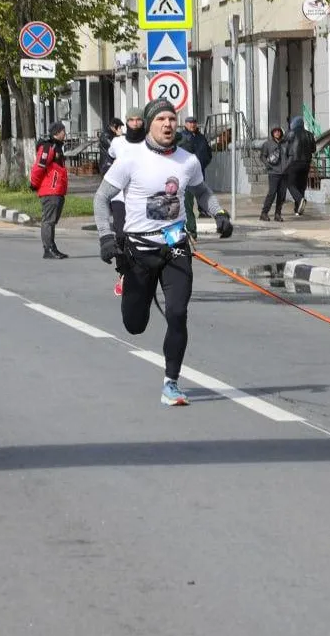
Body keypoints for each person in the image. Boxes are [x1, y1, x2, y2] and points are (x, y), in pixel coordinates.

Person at [93, 98, 234, 406]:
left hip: (175, 247)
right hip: (138, 251)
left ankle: (171, 383)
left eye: (172, 118)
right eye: (161, 119)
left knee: (178, 313)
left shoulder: (188, 160)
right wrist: (106, 237)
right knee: (135, 324)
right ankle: (136, 305)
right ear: (148, 124)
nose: (168, 124)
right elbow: (101, 198)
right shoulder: (131, 159)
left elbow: (202, 191)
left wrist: (219, 211)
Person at [107, 108, 146, 295]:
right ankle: (123, 274)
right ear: (126, 122)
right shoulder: (118, 142)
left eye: (139, 120)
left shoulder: (150, 142)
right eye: (131, 120)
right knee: (121, 235)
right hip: (119, 196)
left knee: (142, 235)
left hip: (141, 198)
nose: (135, 123)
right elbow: (108, 160)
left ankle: (142, 273)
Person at [29, 121, 69, 259]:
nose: (65, 133)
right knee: (48, 221)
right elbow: (39, 167)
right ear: (57, 132)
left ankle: (52, 247)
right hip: (50, 190)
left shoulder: (57, 147)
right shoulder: (48, 147)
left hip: (57, 190)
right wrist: (33, 183)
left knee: (52, 221)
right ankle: (48, 249)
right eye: (63, 130)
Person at [177, 116, 212, 239]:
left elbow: (208, 154)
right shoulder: (180, 137)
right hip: (186, 176)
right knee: (187, 203)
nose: (192, 125)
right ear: (185, 124)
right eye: (190, 123)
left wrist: (202, 165)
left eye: (194, 122)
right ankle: (192, 230)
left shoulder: (201, 138)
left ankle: (203, 212)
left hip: (199, 173)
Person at [283, 116, 316, 216]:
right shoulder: (310, 135)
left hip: (293, 162)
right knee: (301, 185)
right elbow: (313, 149)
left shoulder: (289, 133)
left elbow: (285, 149)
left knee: (290, 183)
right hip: (306, 163)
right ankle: (298, 209)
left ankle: (299, 199)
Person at [259, 125, 288, 221]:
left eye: (279, 131)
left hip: (284, 173)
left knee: (282, 194)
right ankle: (264, 213)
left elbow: (290, 155)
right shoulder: (267, 144)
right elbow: (262, 156)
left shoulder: (285, 144)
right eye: (275, 131)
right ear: (272, 133)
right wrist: (268, 165)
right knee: (272, 193)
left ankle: (278, 214)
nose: (277, 133)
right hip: (273, 173)